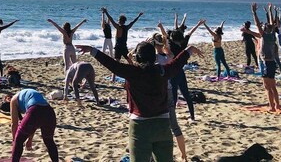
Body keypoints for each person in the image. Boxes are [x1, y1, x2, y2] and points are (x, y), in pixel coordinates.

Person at [76, 40, 201, 162]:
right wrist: (190, 50)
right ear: (154, 57)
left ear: (137, 58)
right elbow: (178, 62)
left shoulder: (132, 72)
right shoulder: (163, 71)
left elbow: (112, 65)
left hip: (140, 128)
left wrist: (92, 50)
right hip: (162, 125)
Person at [155, 25, 188, 162]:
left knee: (156, 125)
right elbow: (167, 42)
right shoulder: (169, 57)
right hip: (168, 91)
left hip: (156, 94)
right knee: (174, 126)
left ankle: (156, 155)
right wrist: (163, 32)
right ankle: (184, 155)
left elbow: (131, 56)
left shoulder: (152, 59)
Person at [9, 88, 59, 162]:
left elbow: (14, 124)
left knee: (18, 141)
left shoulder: (13, 100)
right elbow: (33, 123)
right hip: (49, 112)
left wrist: (14, 141)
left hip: (34, 111)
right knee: (49, 141)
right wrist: (29, 140)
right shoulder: (27, 94)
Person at [167, 19, 202, 122]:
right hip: (181, 72)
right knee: (186, 95)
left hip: (173, 73)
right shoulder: (183, 43)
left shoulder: (171, 45)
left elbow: (166, 36)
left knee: (173, 97)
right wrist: (198, 24)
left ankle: (172, 118)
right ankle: (192, 117)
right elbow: (190, 32)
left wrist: (160, 28)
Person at [251, 3, 280, 112]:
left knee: (267, 87)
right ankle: (277, 105)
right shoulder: (273, 35)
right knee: (273, 87)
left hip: (266, 63)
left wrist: (254, 12)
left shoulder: (265, 35)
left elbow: (258, 24)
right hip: (271, 62)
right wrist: (270, 10)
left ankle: (272, 107)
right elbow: (272, 24)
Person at [102, 8, 143, 81]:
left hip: (118, 48)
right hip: (124, 47)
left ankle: (113, 78)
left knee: (116, 63)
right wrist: (138, 16)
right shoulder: (126, 27)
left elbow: (111, 20)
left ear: (120, 21)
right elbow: (133, 22)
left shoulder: (118, 27)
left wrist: (106, 12)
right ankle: (135, 73)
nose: (117, 21)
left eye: (118, 20)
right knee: (130, 61)